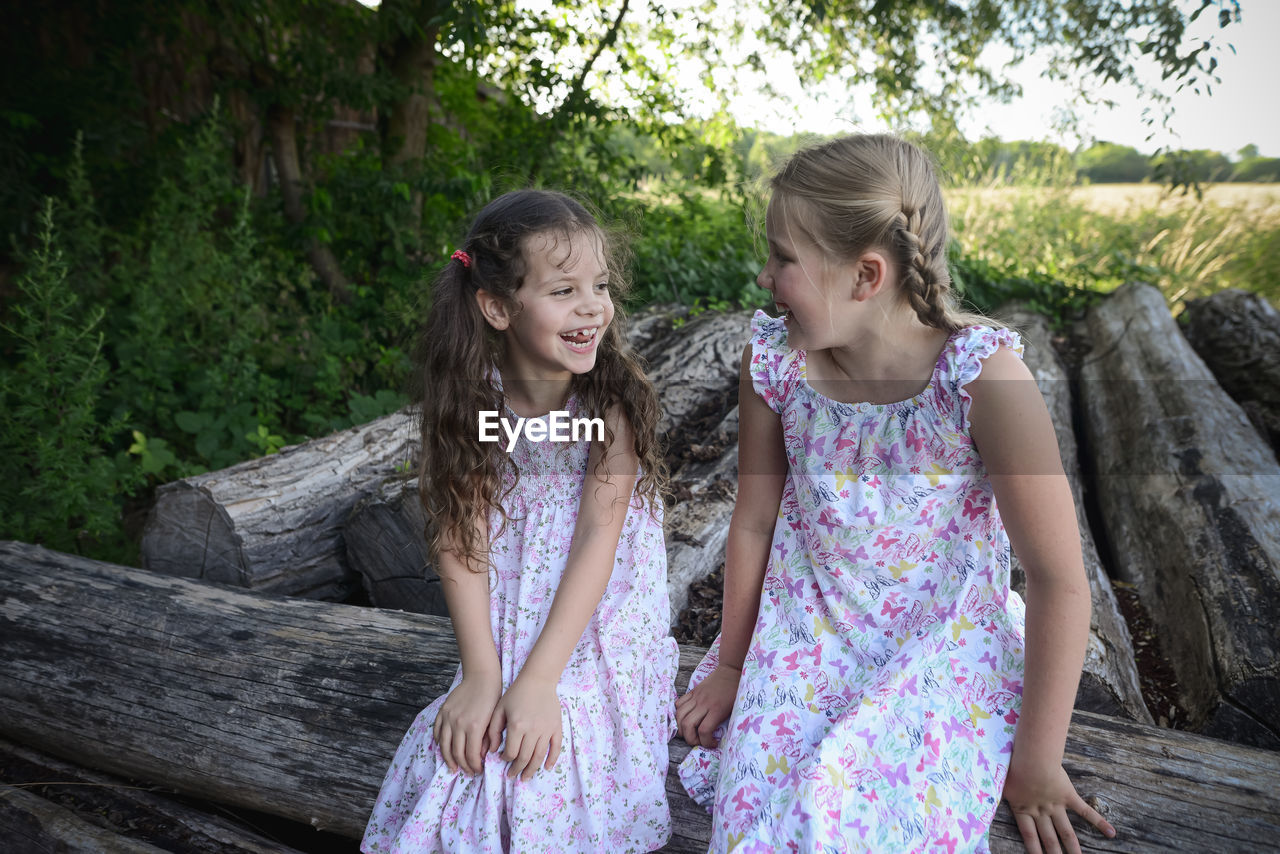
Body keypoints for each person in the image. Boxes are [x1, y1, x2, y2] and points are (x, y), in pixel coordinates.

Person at [673, 135, 1118, 854]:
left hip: (937, 641)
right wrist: (730, 665)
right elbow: (753, 523)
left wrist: (1035, 761)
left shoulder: (980, 380)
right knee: (759, 820)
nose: (763, 276)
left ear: (866, 274)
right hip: (806, 631)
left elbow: (1059, 580)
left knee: (882, 822)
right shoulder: (778, 362)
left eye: (784, 258)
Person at [363, 189, 677, 854]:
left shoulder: (605, 401)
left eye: (600, 285)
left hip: (596, 621)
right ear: (499, 307)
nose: (593, 305)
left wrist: (536, 681)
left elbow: (599, 538)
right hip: (506, 612)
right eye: (564, 290)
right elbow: (460, 530)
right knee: (464, 755)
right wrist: (481, 672)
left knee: (543, 756)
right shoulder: (475, 400)